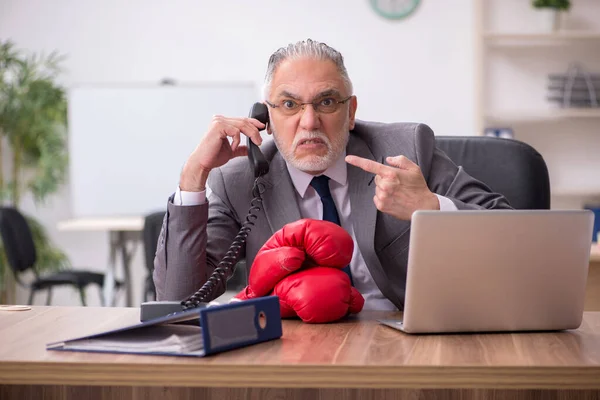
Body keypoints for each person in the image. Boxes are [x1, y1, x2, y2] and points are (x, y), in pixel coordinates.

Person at [153, 39, 511, 311]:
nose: (309, 122)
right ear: (267, 116)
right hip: (294, 355)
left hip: (404, 343)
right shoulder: (239, 181)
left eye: (326, 102)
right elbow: (178, 300)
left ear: (350, 111)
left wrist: (431, 208)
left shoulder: (407, 149)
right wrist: (192, 177)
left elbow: (510, 231)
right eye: (290, 105)